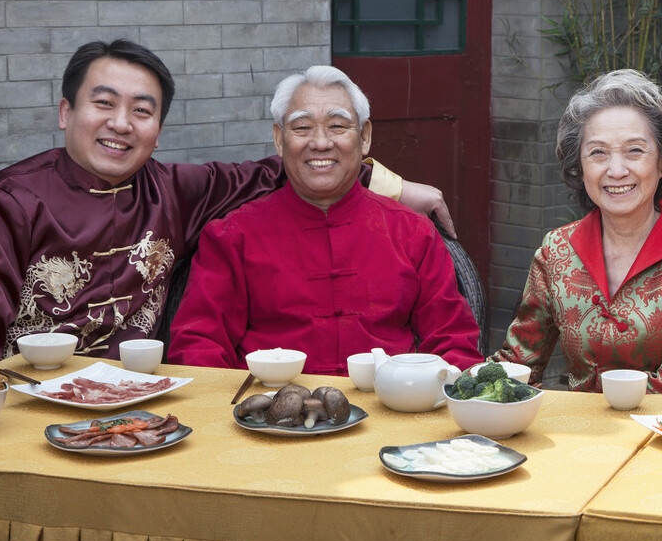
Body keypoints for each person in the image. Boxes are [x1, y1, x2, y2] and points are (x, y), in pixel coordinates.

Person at [0, 40, 455, 366]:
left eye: (142, 111)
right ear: (66, 112)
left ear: (158, 130)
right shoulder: (1, 203)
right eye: (103, 104)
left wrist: (391, 186)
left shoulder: (175, 191)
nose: (120, 124)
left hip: (140, 402)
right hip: (27, 405)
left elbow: (292, 167)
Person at [166, 66, 482, 374]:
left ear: (365, 137)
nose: (320, 142)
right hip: (268, 418)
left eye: (337, 126)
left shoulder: (413, 233)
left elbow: (453, 344)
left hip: (388, 412)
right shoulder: (233, 236)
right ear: (279, 139)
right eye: (302, 127)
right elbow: (198, 347)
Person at [490, 70, 662, 401]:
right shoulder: (557, 250)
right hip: (579, 438)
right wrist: (467, 387)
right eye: (598, 153)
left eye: (634, 150)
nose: (616, 170)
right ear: (579, 165)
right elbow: (519, 360)